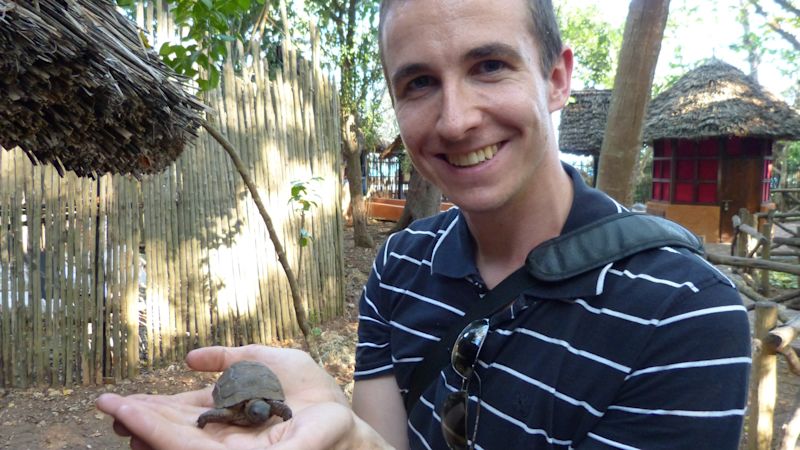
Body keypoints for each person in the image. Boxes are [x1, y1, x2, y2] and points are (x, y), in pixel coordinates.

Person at [97, 0, 752, 448]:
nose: (456, 119)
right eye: (418, 83)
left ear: (556, 78)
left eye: (489, 65)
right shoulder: (400, 264)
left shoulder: (687, 313)